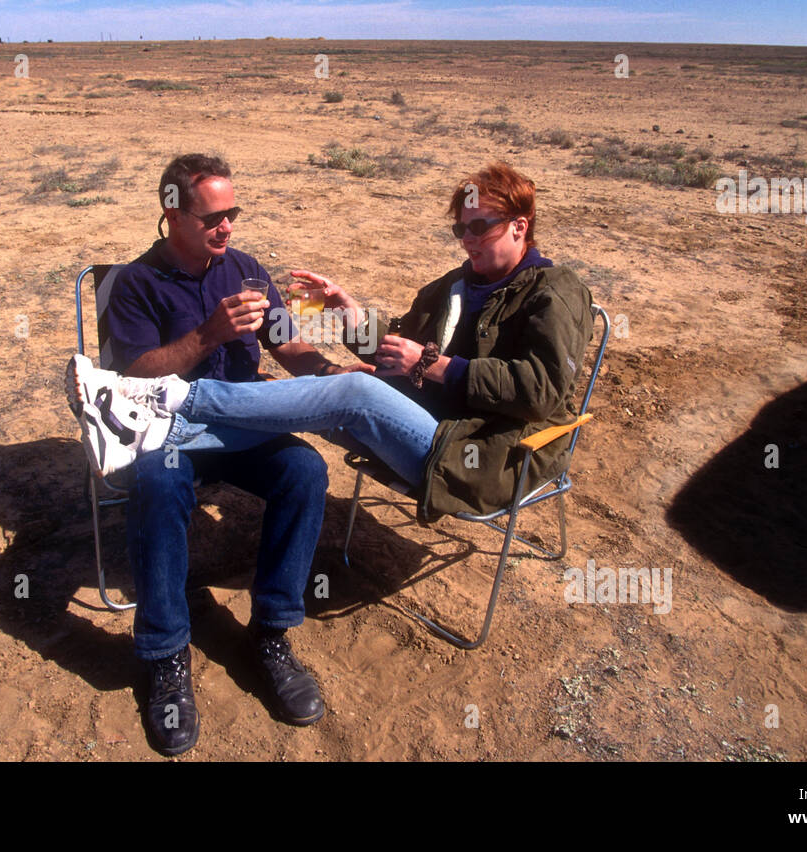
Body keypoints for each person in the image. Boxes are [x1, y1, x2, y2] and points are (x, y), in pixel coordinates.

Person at [71, 159, 595, 535]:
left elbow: (542, 391)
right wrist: (346, 313)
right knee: (354, 388)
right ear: (173, 216)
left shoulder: (555, 290)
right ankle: (159, 409)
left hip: (479, 452)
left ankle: (166, 405)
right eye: (461, 229)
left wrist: (429, 366)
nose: (467, 240)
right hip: (426, 422)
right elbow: (391, 349)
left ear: (520, 226)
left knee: (356, 392)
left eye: (479, 228)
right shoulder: (453, 287)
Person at [77, 153, 370, 757]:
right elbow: (132, 377)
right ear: (173, 215)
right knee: (158, 484)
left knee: (305, 470)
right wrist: (208, 334)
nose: (228, 227)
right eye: (213, 216)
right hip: (170, 432)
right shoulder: (134, 284)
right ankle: (164, 657)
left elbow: (287, 346)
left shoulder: (244, 269)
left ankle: (271, 635)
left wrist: (334, 374)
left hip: (240, 425)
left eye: (233, 213)